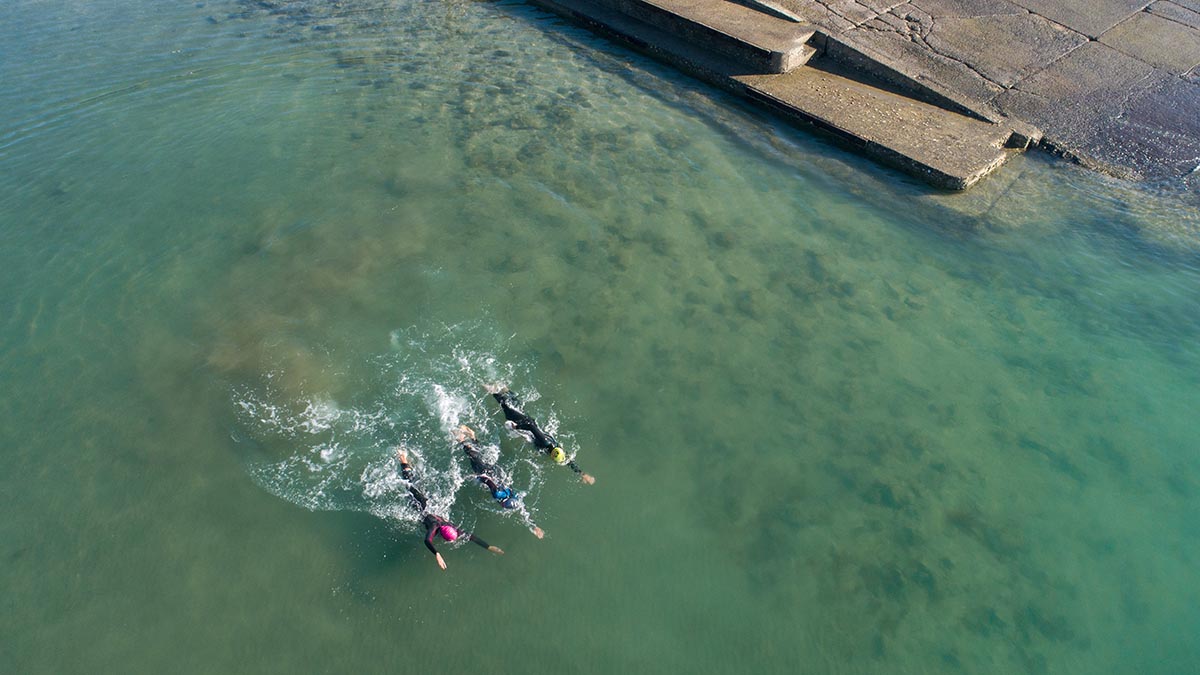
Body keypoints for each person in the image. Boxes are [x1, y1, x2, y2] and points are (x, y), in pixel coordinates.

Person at [396, 448, 503, 570]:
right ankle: (402, 458)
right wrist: (437, 554)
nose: (452, 541)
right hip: (421, 506)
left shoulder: (452, 528)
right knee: (410, 486)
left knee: (416, 485)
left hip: (429, 505)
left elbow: (471, 537)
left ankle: (408, 463)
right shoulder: (434, 526)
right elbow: (427, 540)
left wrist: (488, 547)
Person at [486, 384, 595, 484]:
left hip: (530, 422)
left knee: (516, 406)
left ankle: (506, 389)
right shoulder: (545, 443)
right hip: (525, 423)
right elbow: (530, 427)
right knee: (506, 408)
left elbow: (568, 461)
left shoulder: (557, 448)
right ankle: (491, 389)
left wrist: (582, 474)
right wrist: (516, 427)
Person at [456, 425, 545, 539]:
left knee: (480, 456)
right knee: (472, 457)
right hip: (486, 473)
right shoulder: (498, 495)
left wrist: (534, 526)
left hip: (496, 472)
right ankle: (462, 439)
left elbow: (524, 513)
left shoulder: (515, 498)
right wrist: (476, 477)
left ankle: (473, 438)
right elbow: (489, 482)